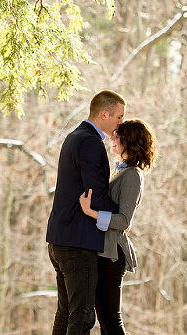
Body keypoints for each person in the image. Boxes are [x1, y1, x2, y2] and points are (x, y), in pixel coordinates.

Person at [46, 90, 126, 335]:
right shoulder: (91, 142)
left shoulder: (75, 136)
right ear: (104, 114)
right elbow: (96, 195)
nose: (120, 124)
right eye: (119, 117)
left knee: (66, 313)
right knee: (82, 317)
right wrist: (121, 216)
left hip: (60, 239)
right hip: (78, 243)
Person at [79, 119, 158, 335]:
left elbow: (124, 221)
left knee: (111, 321)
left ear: (129, 141)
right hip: (104, 252)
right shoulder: (120, 171)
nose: (111, 138)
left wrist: (91, 213)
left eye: (117, 135)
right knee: (106, 323)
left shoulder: (132, 175)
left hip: (113, 255)